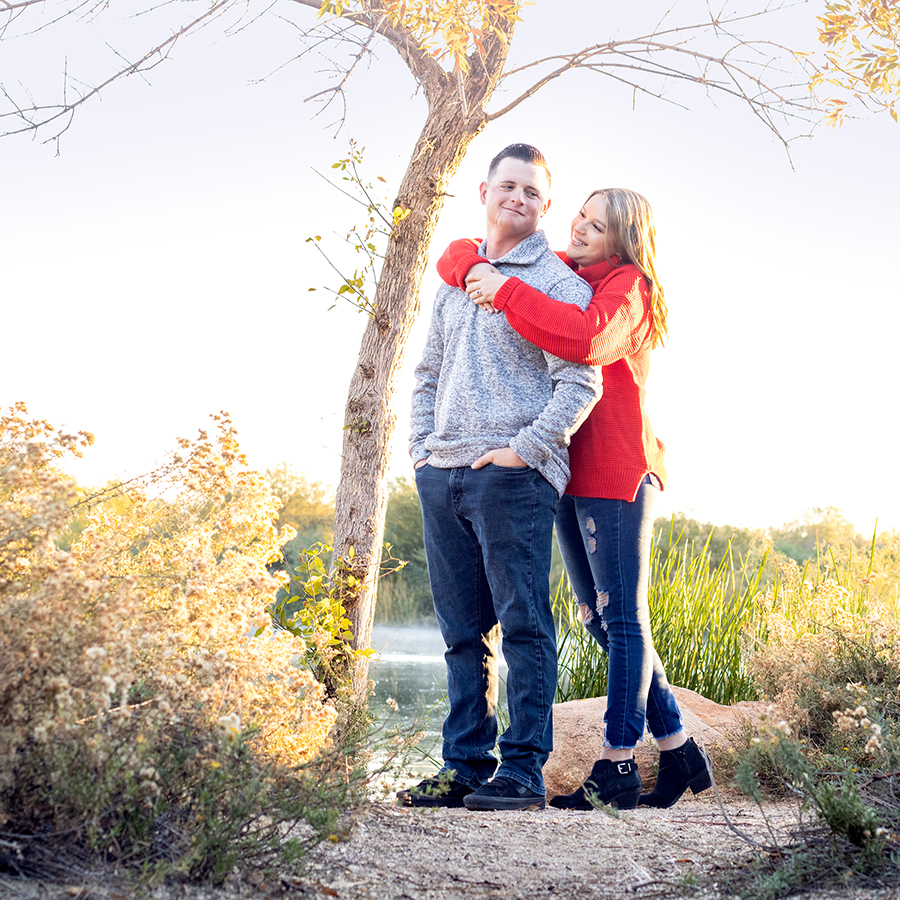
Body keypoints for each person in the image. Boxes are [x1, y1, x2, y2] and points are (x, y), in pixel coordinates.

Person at [435, 187, 712, 811]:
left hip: (615, 472)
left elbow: (583, 340)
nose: (579, 230)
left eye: (596, 226)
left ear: (624, 238)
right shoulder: (567, 271)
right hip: (562, 465)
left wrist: (501, 291)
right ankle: (678, 750)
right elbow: (457, 252)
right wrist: (476, 267)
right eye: (579, 218)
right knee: (598, 618)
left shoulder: (627, 289)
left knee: (622, 618)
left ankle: (617, 762)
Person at [399, 144, 600, 812]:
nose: (517, 198)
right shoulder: (455, 283)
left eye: (531, 192)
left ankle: (521, 769)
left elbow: (582, 379)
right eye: (507, 186)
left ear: (546, 205)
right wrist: (421, 451)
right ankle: (463, 766)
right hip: (443, 474)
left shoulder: (559, 283)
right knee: (461, 633)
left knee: (523, 627)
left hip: (512, 478)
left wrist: (527, 449)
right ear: (484, 192)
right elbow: (427, 372)